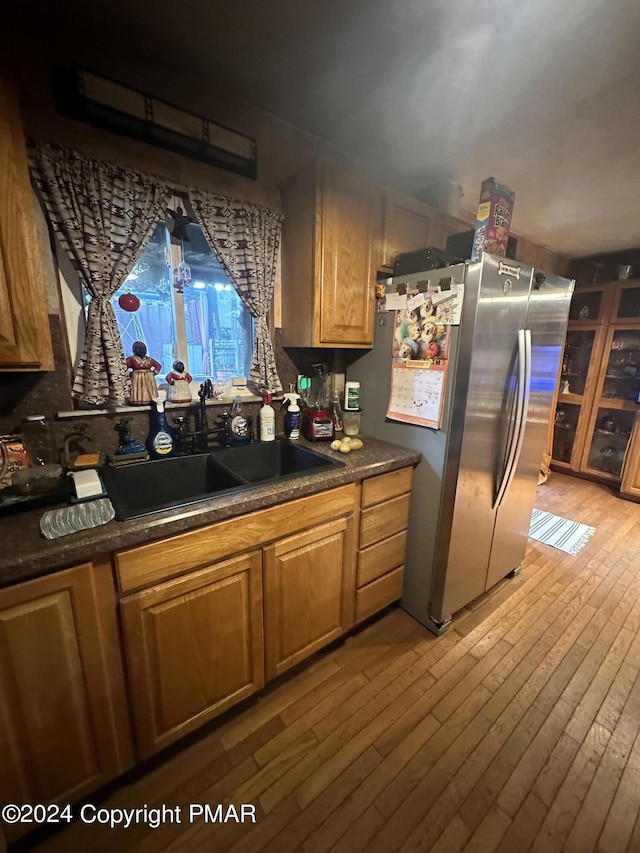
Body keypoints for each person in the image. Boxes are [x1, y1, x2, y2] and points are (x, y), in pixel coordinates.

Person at [126, 341, 162, 405]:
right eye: (139, 349)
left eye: (143, 349)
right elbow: (123, 367)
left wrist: (154, 373)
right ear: (134, 350)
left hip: (149, 380)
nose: (142, 351)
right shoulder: (131, 359)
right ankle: (138, 400)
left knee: (150, 390)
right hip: (137, 380)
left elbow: (158, 366)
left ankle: (151, 399)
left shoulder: (149, 359)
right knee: (139, 390)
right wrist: (129, 374)